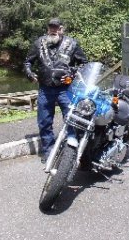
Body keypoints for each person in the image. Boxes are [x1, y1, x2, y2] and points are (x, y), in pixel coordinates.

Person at [24, 18, 88, 163]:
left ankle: (70, 152)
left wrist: (72, 73)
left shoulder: (72, 44)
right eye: (51, 28)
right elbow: (27, 62)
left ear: (61, 28)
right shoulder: (39, 43)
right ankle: (49, 152)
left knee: (71, 120)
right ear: (48, 29)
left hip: (66, 90)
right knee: (44, 122)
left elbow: (84, 64)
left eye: (56, 28)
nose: (53, 30)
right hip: (45, 90)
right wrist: (30, 74)